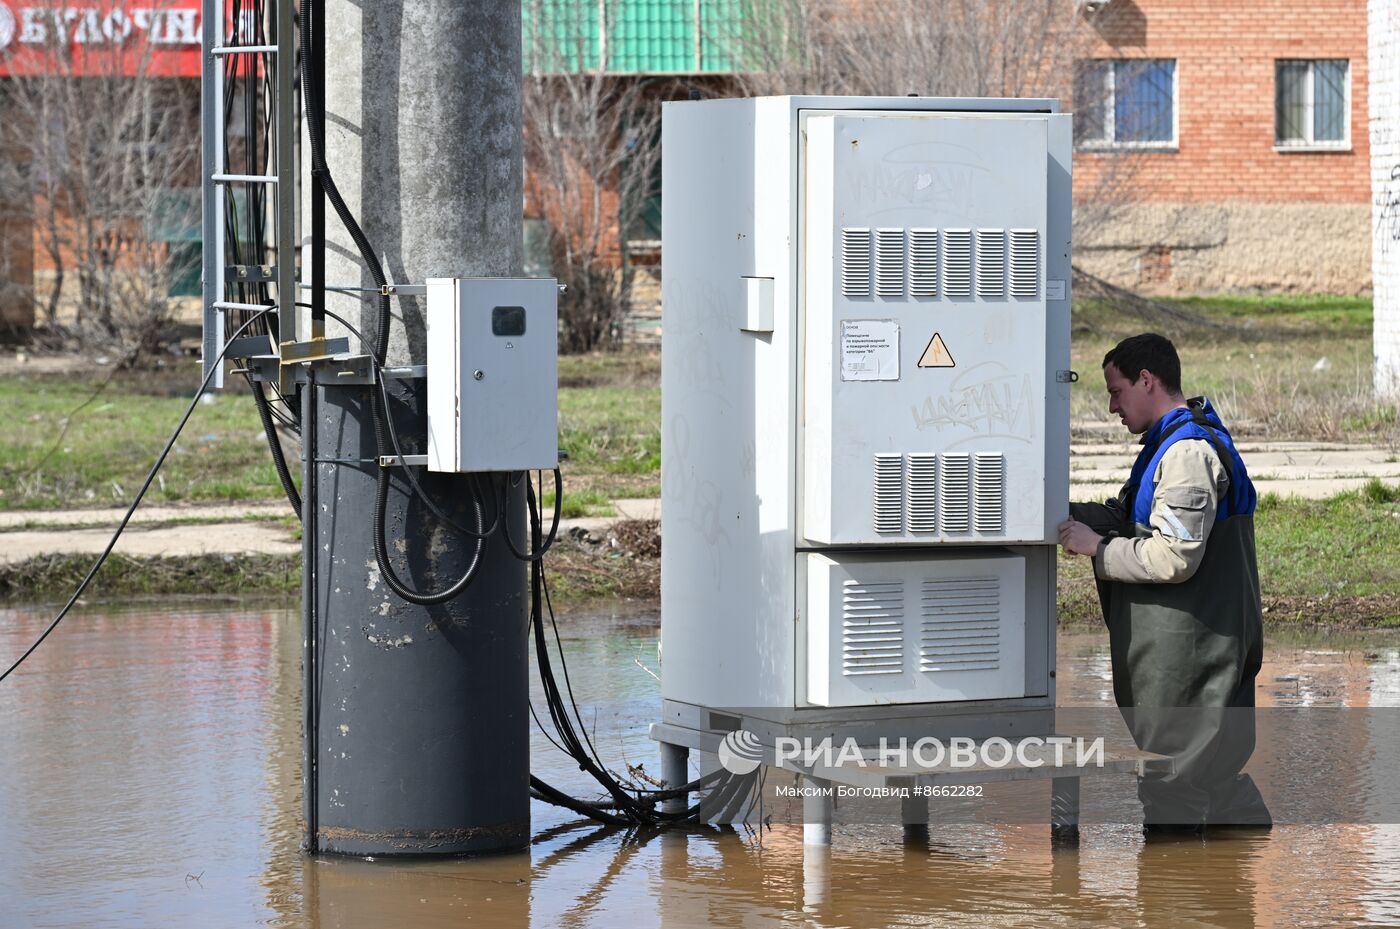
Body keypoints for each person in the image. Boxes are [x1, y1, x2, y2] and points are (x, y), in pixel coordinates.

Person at [1058, 333, 1271, 831]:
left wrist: (1098, 548)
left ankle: (1176, 898)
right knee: (1209, 780)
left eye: (1116, 391)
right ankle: (1226, 882)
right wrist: (1058, 515)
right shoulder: (1167, 442)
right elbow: (1130, 516)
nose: (1112, 407)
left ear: (1147, 380)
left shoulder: (1187, 454)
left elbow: (1174, 556)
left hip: (1195, 656)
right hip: (1190, 657)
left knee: (1174, 783)